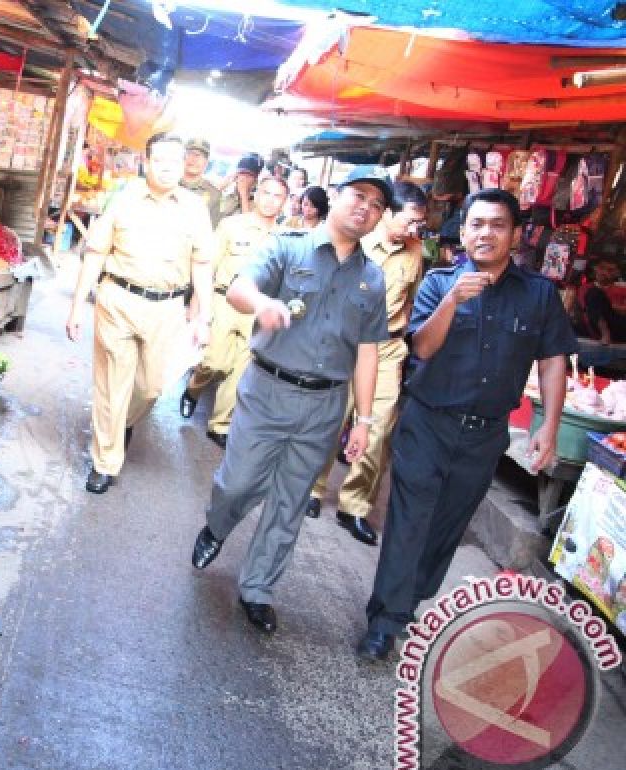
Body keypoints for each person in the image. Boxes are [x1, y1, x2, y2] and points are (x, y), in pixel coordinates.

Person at [357, 188, 576, 661]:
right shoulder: (440, 283)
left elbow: (554, 359)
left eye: (497, 224)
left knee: (445, 529)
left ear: (516, 235)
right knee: (410, 522)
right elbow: (422, 349)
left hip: (484, 435)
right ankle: (385, 621)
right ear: (463, 230)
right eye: (476, 224)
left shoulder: (539, 296)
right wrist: (453, 300)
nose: (485, 233)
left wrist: (549, 426)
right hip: (427, 423)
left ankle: (408, 600)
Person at [190, 165, 392, 635]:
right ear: (336, 196)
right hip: (267, 390)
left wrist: (362, 420)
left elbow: (367, 352)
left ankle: (257, 588)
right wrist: (263, 305)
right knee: (238, 484)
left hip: (324, 405)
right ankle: (217, 527)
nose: (366, 207)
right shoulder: (287, 245)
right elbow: (241, 288)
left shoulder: (373, 279)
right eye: (358, 195)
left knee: (290, 501)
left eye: (377, 204)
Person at [66, 132, 215, 494]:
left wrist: (203, 317)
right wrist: (76, 307)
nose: (167, 169)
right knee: (111, 385)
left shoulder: (195, 208)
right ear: (145, 162)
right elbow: (97, 252)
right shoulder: (124, 199)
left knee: (150, 387)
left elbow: (203, 264)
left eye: (175, 162)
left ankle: (124, 422)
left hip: (167, 308)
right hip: (118, 299)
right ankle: (105, 462)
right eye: (160, 161)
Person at [307, 182, 429, 545]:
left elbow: (411, 296)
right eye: (409, 221)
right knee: (332, 417)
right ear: (388, 212)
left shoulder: (414, 251)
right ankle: (312, 490)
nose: (413, 230)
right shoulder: (357, 240)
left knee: (377, 430)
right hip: (346, 344)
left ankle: (355, 506)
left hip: (388, 347)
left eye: (419, 224)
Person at [181, 175, 290, 446]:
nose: (270, 200)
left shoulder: (286, 237)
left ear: (285, 202)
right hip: (223, 301)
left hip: (258, 309)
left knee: (240, 369)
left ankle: (220, 424)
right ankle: (194, 388)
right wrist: (195, 312)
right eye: (265, 193)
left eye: (277, 196)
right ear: (255, 194)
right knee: (213, 362)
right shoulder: (233, 226)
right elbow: (208, 267)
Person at [579, 258, 625, 344]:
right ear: (595, 268)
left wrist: (611, 307)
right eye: (601, 268)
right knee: (594, 293)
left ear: (617, 273)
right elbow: (586, 308)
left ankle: (607, 334)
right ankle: (605, 333)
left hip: (617, 325)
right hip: (592, 325)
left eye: (610, 270)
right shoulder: (585, 288)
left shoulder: (622, 289)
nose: (604, 272)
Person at [181, 138, 224, 227]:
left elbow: (212, 228)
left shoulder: (214, 194)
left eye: (200, 155)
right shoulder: (169, 182)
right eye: (190, 154)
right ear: (183, 157)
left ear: (206, 162)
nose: (194, 159)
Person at [219, 153, 263, 220]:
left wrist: (244, 195)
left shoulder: (256, 204)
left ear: (255, 181)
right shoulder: (226, 194)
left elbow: (248, 224)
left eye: (248, 175)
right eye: (241, 173)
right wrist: (222, 186)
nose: (243, 178)